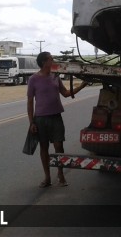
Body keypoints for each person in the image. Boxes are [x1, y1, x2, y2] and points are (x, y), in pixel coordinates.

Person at [27, 51, 87, 188]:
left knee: (59, 146)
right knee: (44, 148)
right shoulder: (33, 79)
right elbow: (30, 102)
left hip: (56, 117)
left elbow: (66, 94)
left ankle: (61, 175)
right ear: (44, 62)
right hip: (41, 119)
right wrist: (31, 122)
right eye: (51, 59)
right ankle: (47, 177)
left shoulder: (55, 77)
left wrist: (82, 86)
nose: (53, 61)